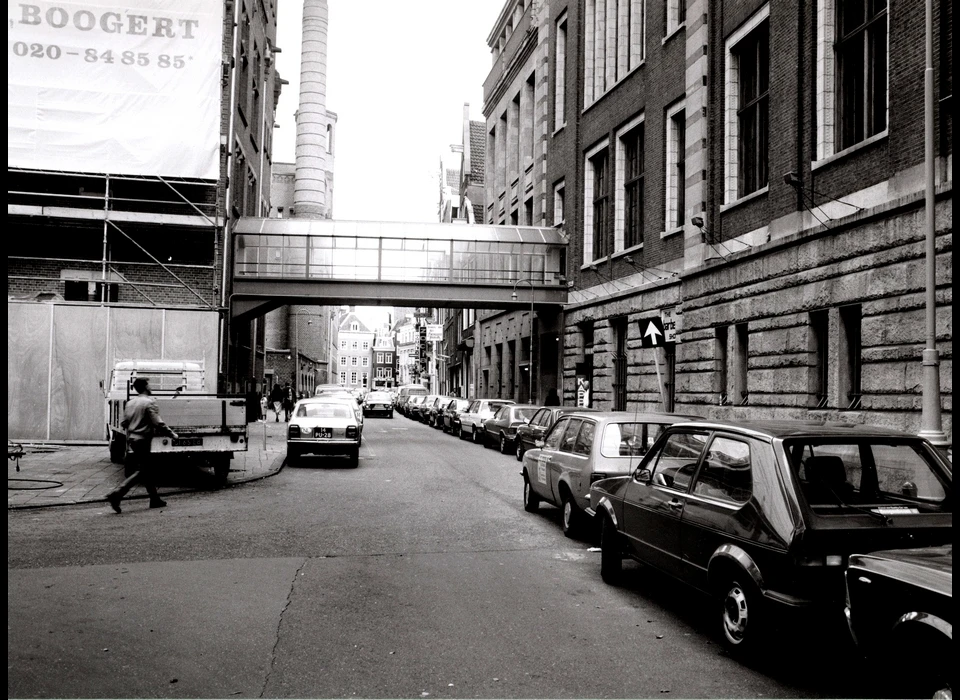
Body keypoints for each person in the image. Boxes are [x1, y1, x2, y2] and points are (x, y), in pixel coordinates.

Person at [106, 377, 178, 513]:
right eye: (149, 385)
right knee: (143, 471)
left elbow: (124, 423)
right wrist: (172, 434)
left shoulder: (130, 403)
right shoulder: (149, 403)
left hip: (133, 439)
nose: (151, 388)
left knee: (147, 469)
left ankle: (154, 499)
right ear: (145, 387)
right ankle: (117, 494)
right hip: (143, 440)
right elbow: (158, 423)